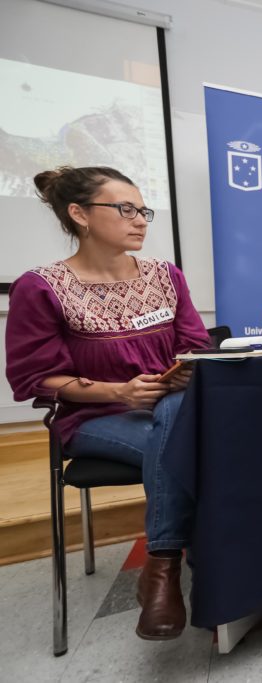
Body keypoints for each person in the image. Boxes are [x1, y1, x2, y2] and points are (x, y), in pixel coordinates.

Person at [4, 166, 208, 641]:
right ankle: (179, 566)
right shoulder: (41, 286)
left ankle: (162, 568)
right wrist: (120, 392)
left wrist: (183, 371)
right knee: (187, 444)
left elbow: (196, 345)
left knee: (173, 416)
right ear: (79, 214)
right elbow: (37, 377)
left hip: (169, 408)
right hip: (95, 416)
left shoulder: (165, 275)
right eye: (125, 209)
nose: (140, 220)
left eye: (143, 211)